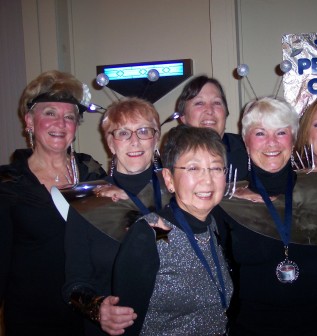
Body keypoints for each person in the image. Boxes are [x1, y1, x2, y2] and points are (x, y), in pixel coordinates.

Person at [214, 97, 317, 335]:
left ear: (293, 139)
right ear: (246, 140)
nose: (272, 143)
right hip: (250, 329)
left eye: (281, 132)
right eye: (260, 133)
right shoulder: (226, 202)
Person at [0, 70, 106, 335]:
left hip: (90, 315)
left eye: (69, 116)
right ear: (29, 120)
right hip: (32, 318)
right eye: (49, 113)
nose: (60, 123)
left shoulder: (91, 172)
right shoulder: (8, 182)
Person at [58, 97, 170, 335]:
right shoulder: (87, 201)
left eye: (144, 131)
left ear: (156, 137)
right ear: (110, 142)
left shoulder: (176, 193)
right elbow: (74, 283)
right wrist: (97, 309)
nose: (135, 141)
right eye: (122, 133)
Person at [106, 125, 233, 335]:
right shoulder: (149, 233)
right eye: (193, 168)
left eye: (216, 168)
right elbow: (126, 326)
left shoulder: (213, 226)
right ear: (169, 179)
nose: (207, 179)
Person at [177, 75, 248, 181]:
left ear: (226, 113)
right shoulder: (172, 156)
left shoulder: (247, 150)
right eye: (199, 103)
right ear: (183, 117)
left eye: (216, 103)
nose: (209, 110)